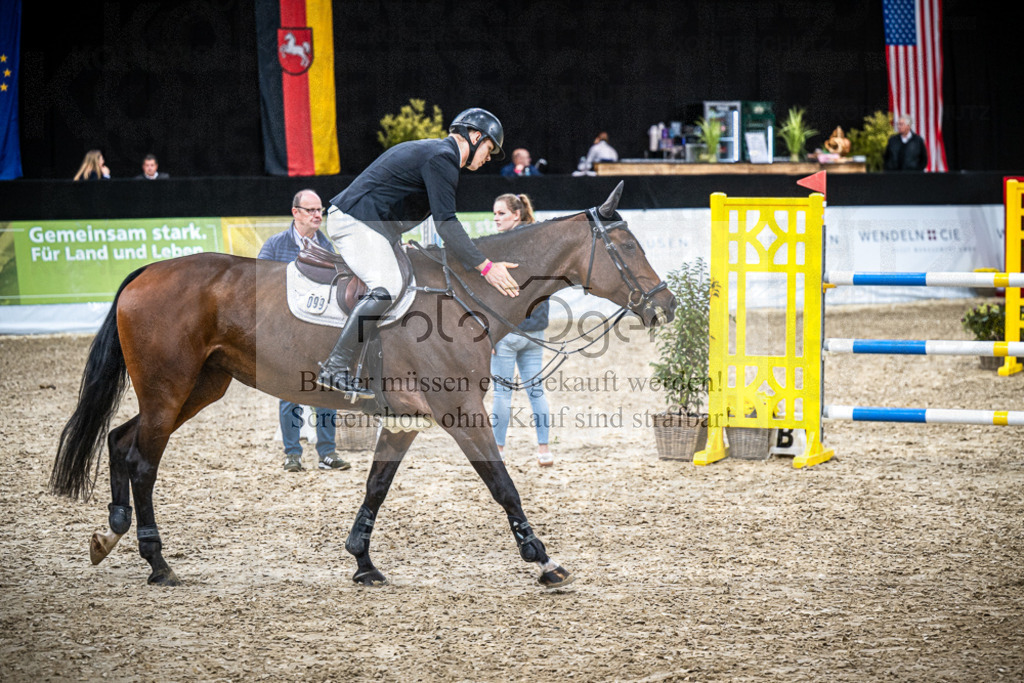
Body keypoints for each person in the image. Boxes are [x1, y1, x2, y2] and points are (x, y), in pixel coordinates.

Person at [317, 107, 520, 395]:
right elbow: (446, 224)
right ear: (475, 136)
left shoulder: (439, 155)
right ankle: (336, 366)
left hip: (373, 225)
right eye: (489, 148)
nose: (489, 157)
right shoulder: (443, 157)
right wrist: (486, 267)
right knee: (387, 287)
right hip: (355, 221)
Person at [258, 189, 351, 473]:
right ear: (295, 212)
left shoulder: (329, 248)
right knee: (290, 392)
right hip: (286, 333)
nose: (317, 215)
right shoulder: (275, 246)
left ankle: (327, 452)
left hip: (320, 331)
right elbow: (259, 285)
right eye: (310, 210)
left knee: (327, 390)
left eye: (320, 210)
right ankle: (292, 453)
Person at [489, 193, 553, 467]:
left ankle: (499, 452)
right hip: (535, 331)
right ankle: (544, 450)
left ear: (517, 214)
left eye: (501, 213)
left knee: (502, 394)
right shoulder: (541, 243)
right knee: (536, 391)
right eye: (494, 214)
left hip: (506, 332)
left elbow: (492, 296)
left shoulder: (503, 245)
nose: (496, 218)